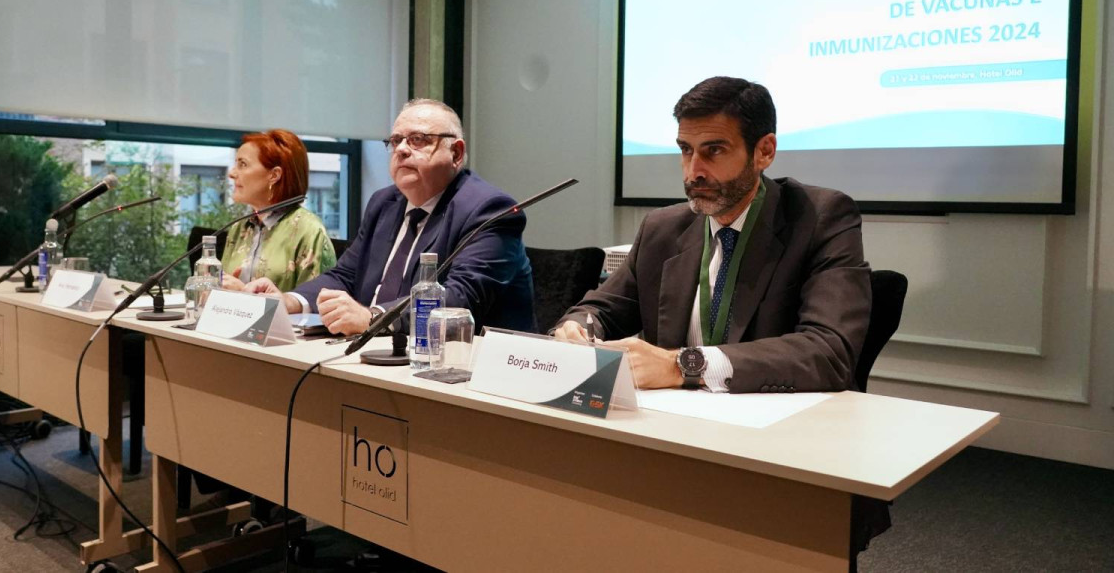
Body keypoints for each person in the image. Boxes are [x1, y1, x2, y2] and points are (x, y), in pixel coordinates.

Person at [554, 76, 871, 394]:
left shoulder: (820, 219)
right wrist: (578, 328)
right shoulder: (661, 229)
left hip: (778, 425)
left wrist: (683, 365)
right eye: (686, 150)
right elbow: (602, 309)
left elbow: (830, 353)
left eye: (714, 150)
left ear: (764, 151)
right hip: (674, 422)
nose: (694, 171)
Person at [245, 99, 535, 335]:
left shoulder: (490, 210)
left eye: (418, 140)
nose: (402, 149)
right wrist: (289, 302)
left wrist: (373, 318)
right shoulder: (385, 203)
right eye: (395, 141)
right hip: (376, 356)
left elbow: (460, 300)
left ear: (456, 153)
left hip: (462, 373)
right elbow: (345, 275)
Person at [220, 129, 336, 293]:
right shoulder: (239, 227)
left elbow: (315, 305)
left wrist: (244, 293)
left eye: (242, 164)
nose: (232, 173)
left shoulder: (309, 231)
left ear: (274, 175)